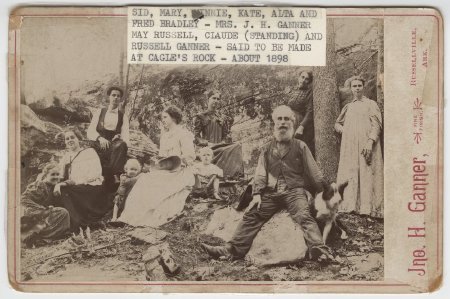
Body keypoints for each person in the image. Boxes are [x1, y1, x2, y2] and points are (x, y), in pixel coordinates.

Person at [201, 105, 333, 262]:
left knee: (304, 216)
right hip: (270, 194)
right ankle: (230, 250)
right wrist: (257, 194)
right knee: (252, 215)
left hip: (294, 192)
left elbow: (315, 172)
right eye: (279, 119)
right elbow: (260, 173)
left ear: (292, 122)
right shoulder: (266, 149)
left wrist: (326, 192)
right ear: (274, 123)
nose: (283, 123)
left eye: (286, 119)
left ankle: (320, 250)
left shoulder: (300, 146)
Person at [118, 106, 196, 227]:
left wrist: (179, 161)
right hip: (166, 169)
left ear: (174, 117)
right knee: (144, 179)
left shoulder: (183, 134)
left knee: (155, 182)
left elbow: (190, 156)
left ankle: (148, 217)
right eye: (162, 118)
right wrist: (159, 161)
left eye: (165, 117)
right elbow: (162, 155)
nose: (163, 120)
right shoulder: (164, 135)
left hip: (180, 170)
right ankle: (130, 216)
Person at [335, 76, 384, 218]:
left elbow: (377, 125)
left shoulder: (370, 104)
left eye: (359, 86)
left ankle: (368, 208)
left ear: (363, 87)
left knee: (367, 172)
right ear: (350, 89)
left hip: (366, 144)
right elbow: (337, 123)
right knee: (351, 172)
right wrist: (344, 131)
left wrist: (370, 142)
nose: (357, 88)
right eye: (354, 86)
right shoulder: (348, 107)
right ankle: (350, 205)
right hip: (350, 146)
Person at [55, 127, 112, 231]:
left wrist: (71, 183)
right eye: (67, 139)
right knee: (56, 190)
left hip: (92, 188)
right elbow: (59, 173)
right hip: (76, 188)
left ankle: (78, 224)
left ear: (79, 139)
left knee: (65, 190)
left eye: (72, 137)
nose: (70, 140)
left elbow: (96, 173)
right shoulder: (66, 157)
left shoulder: (89, 152)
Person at [194, 91, 244, 179]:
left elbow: (226, 135)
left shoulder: (222, 117)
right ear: (208, 100)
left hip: (220, 146)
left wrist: (223, 142)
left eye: (218, 99)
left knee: (238, 145)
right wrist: (208, 143)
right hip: (208, 148)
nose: (216, 100)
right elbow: (196, 137)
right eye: (213, 98)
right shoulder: (201, 116)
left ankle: (237, 176)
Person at [87, 86, 129, 188]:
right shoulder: (100, 111)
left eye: (118, 96)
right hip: (99, 141)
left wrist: (119, 139)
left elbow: (126, 135)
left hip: (113, 143)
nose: (116, 98)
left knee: (122, 145)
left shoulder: (123, 116)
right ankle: (101, 175)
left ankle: (114, 175)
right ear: (109, 97)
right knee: (91, 149)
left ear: (120, 99)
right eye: (113, 95)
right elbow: (90, 130)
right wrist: (99, 138)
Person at [21, 162, 70, 244]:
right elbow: (23, 199)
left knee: (62, 212)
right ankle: (35, 236)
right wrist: (42, 210)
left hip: (43, 215)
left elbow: (72, 181)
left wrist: (60, 185)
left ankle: (44, 237)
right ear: (46, 175)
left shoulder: (54, 184)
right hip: (33, 215)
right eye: (53, 174)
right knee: (62, 212)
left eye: (57, 174)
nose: (56, 177)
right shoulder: (39, 185)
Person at [287, 70, 315, 156]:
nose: (303, 80)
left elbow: (310, 111)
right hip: (290, 121)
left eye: (306, 79)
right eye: (302, 77)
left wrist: (301, 127)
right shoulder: (293, 90)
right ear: (299, 77)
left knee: (299, 149)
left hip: (300, 123)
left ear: (309, 82)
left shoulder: (309, 93)